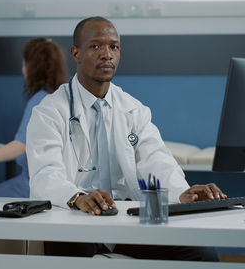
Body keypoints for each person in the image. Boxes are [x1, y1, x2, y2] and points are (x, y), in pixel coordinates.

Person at [26, 17, 225, 261]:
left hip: (125, 223)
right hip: (74, 222)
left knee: (203, 255)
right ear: (76, 53)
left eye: (114, 47)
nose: (107, 54)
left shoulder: (134, 109)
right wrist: (78, 198)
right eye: (96, 46)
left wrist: (183, 194)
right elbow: (44, 175)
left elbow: (156, 161)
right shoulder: (50, 111)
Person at [0, 38, 68, 198]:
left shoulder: (39, 101)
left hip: (34, 183)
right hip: (58, 182)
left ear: (30, 67)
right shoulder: (61, 98)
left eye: (24, 63)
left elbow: (21, 145)